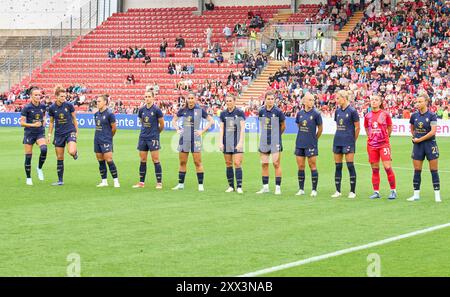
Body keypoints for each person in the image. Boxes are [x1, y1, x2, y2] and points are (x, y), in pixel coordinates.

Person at [171, 92, 214, 191]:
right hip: (184, 138)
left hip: (195, 139)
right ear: (187, 99)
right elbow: (174, 121)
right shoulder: (183, 110)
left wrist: (202, 131)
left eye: (192, 98)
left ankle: (200, 185)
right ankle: (181, 185)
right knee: (182, 162)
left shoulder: (199, 110)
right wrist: (177, 129)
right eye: (188, 98)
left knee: (197, 162)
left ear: (195, 99)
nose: (190, 100)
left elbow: (211, 121)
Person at [407, 93, 441, 202]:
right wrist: (414, 136)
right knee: (417, 170)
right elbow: (412, 128)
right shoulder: (414, 116)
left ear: (426, 102)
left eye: (420, 101)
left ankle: (437, 195)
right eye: (417, 101)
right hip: (418, 146)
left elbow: (433, 131)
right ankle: (416, 194)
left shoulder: (432, 115)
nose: (418, 103)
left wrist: (419, 139)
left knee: (434, 170)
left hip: (430, 144)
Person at [364, 95, 397, 199]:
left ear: (380, 102)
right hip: (372, 145)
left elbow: (390, 126)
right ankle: (376, 192)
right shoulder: (367, 115)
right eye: (372, 100)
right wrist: (370, 136)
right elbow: (366, 128)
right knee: (375, 169)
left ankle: (393, 191)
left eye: (376, 100)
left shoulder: (384, 114)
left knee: (387, 167)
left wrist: (387, 136)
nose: (374, 101)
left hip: (383, 144)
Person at [47, 86, 79, 186]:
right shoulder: (52, 108)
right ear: (56, 96)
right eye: (61, 96)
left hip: (70, 132)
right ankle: (60, 180)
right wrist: (49, 134)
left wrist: (77, 131)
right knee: (60, 157)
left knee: (71, 151)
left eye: (64, 96)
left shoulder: (69, 105)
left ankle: (75, 153)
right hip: (59, 134)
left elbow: (74, 119)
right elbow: (51, 122)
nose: (63, 98)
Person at [133, 91, 165, 189]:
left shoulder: (156, 110)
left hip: (153, 138)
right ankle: (141, 182)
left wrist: (156, 133)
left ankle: (159, 182)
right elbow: (141, 121)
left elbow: (162, 124)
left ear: (153, 98)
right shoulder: (141, 109)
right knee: (142, 159)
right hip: (143, 137)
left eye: (149, 97)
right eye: (146, 97)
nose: (147, 98)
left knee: (155, 159)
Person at [256, 91, 286, 195]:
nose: (270, 100)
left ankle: (278, 188)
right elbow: (261, 124)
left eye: (272, 99)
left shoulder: (278, 112)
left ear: (274, 100)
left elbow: (283, 126)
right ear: (265, 99)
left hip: (275, 141)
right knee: (264, 164)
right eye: (268, 99)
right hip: (264, 141)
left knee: (276, 163)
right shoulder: (261, 111)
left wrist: (277, 135)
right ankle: (265, 187)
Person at [332, 90, 360, 198]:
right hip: (337, 141)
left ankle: (352, 191)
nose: (336, 100)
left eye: (338, 98)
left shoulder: (352, 111)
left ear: (344, 98)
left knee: (350, 166)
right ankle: (338, 191)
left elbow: (357, 127)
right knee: (338, 166)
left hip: (348, 142)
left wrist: (353, 140)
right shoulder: (337, 111)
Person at [295, 93, 323, 197]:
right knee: (301, 166)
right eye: (309, 100)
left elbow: (320, 128)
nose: (312, 102)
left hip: (311, 143)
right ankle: (301, 189)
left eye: (312, 100)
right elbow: (299, 125)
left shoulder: (316, 114)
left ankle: (314, 189)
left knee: (312, 165)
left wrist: (315, 139)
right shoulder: (300, 113)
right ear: (304, 101)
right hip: (300, 143)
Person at [20, 87, 47, 185]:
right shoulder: (27, 107)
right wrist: (33, 125)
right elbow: (22, 123)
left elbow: (44, 115)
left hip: (39, 132)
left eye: (39, 95)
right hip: (29, 133)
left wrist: (44, 121)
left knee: (44, 149)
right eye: (35, 95)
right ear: (31, 96)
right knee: (28, 156)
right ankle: (28, 178)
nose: (38, 96)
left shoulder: (43, 106)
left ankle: (39, 168)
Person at [219, 94, 246, 194]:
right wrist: (220, 142)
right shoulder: (223, 114)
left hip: (237, 141)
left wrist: (240, 142)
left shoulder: (239, 113)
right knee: (228, 164)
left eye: (230, 101)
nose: (228, 102)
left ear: (234, 101)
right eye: (227, 101)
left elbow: (243, 128)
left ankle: (239, 186)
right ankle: (231, 186)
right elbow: (221, 129)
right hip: (227, 141)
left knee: (237, 163)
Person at [94, 95, 120, 188]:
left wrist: (109, 137)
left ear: (105, 102)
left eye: (99, 101)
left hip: (106, 140)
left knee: (109, 160)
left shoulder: (110, 114)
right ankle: (104, 181)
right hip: (97, 139)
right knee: (100, 161)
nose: (97, 103)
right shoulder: (96, 114)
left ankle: (116, 181)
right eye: (97, 101)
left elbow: (114, 128)